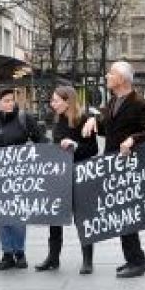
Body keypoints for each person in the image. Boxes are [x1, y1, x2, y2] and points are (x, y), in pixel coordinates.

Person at [82, 61, 145, 278]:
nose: (107, 76)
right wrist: (94, 123)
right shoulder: (113, 102)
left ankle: (137, 261)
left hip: (130, 166)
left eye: (111, 73)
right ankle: (134, 258)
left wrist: (133, 139)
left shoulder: (140, 103)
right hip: (113, 164)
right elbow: (110, 129)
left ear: (122, 79)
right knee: (120, 214)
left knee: (126, 214)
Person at [0, 85, 43, 271]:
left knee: (18, 214)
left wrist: (57, 150)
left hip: (19, 175)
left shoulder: (24, 118)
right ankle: (6, 253)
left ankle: (19, 252)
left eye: (12, 100)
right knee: (1, 214)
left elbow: (41, 140)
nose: (10, 103)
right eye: (6, 100)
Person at [37, 85, 99, 273]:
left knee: (83, 218)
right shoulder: (58, 120)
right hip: (60, 176)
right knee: (54, 217)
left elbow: (93, 149)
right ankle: (53, 257)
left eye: (56, 100)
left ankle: (87, 260)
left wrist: (75, 145)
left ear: (67, 101)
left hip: (80, 175)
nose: (52, 104)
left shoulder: (84, 120)